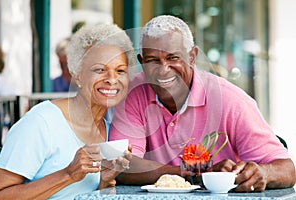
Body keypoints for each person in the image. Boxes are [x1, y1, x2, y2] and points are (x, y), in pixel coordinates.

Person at [109, 15, 295, 192]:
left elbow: (287, 169)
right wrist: (197, 173)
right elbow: (123, 166)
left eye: (173, 58)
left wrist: (264, 173)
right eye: (152, 61)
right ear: (142, 62)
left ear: (192, 56)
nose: (163, 70)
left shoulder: (231, 100)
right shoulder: (132, 94)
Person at [0, 23, 135, 199]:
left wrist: (105, 181)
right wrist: (68, 175)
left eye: (120, 70)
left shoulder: (109, 131)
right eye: (99, 69)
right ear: (77, 74)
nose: (112, 79)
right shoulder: (41, 122)